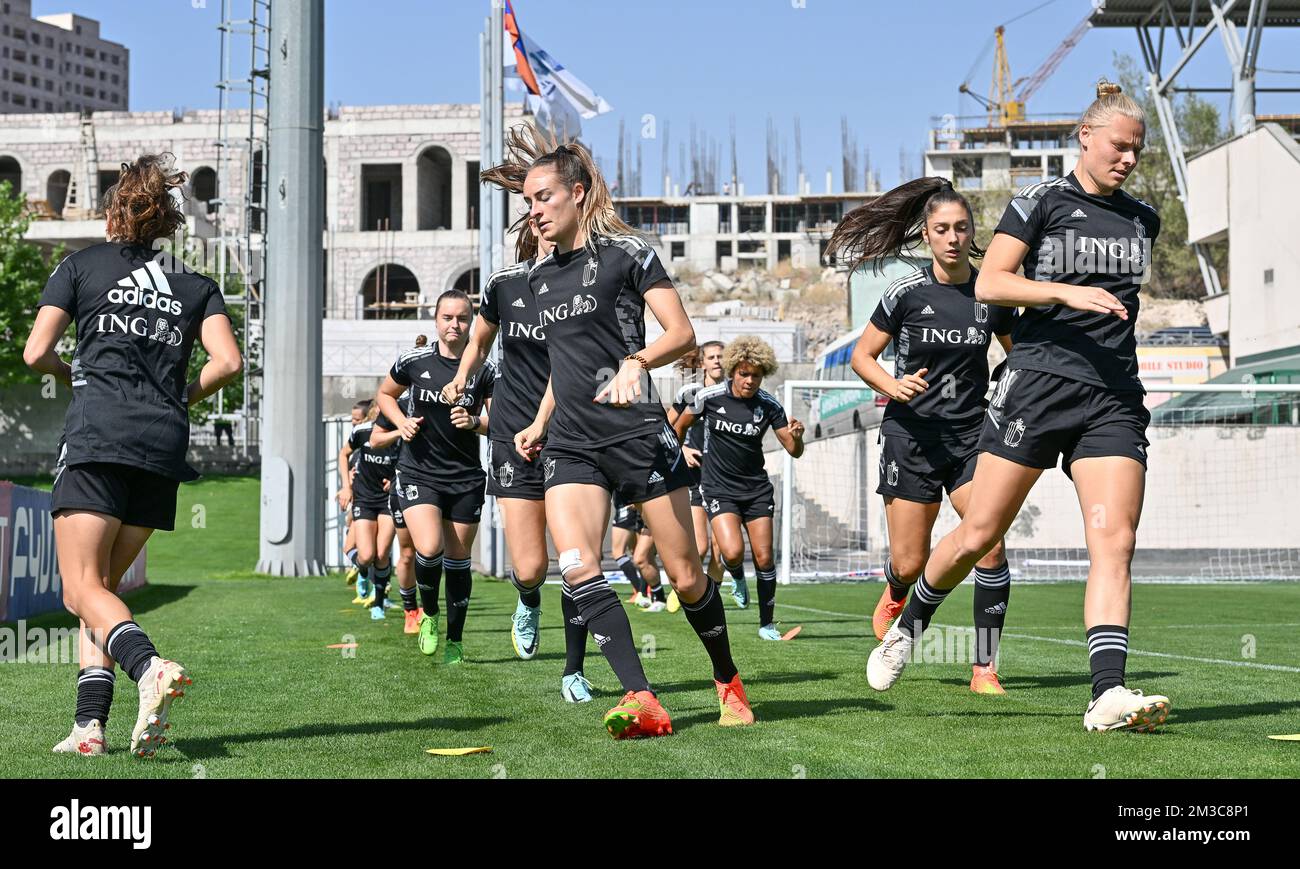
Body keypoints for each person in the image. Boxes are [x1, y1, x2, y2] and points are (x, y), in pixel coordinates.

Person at [864, 81, 1171, 733]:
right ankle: (909, 626)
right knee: (979, 534)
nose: (1129, 159)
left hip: (1112, 394)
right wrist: (1067, 294)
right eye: (1119, 145)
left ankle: (1106, 692)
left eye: (1138, 151)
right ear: (1086, 137)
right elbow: (993, 280)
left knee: (1114, 540)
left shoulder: (1144, 219)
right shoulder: (1039, 202)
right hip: (1035, 386)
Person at [514, 140, 753, 738]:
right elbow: (563, 365)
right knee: (575, 567)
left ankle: (727, 679)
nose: (535, 211)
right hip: (570, 442)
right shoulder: (538, 276)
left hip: (637, 435)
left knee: (687, 575)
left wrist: (636, 363)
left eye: (544, 197)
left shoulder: (628, 255)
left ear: (578, 194)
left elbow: (683, 332)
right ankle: (642, 697)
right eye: (527, 201)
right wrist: (543, 421)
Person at [23, 153, 242, 757]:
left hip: (99, 435)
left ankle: (148, 668)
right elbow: (228, 364)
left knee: (77, 591)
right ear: (166, 217)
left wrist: (75, 375)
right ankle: (89, 727)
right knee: (104, 587)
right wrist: (177, 398)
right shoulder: (196, 284)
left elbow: (35, 353)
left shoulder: (80, 266)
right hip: (161, 442)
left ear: (115, 207)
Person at [828, 175, 1017, 694]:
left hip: (970, 438)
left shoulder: (990, 292)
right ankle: (895, 590)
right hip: (910, 436)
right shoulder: (905, 293)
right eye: (941, 229)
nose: (953, 237)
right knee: (911, 561)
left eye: (961, 227)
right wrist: (894, 384)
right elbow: (861, 358)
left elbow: (1019, 355)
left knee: (990, 546)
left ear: (973, 231)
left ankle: (983, 668)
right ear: (927, 236)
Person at [444, 139, 595, 699]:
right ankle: (527, 601)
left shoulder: (582, 284)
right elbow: (479, 343)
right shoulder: (504, 287)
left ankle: (574, 668)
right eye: (530, 219)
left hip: (568, 434)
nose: (537, 225)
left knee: (577, 559)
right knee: (531, 566)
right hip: (511, 434)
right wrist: (463, 376)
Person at [376, 291, 495, 665]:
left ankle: (455, 640)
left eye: (462, 318)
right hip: (418, 472)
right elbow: (384, 395)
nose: (454, 325)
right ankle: (428, 614)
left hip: (464, 477)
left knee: (459, 560)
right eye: (447, 318)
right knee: (428, 549)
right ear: (436, 320)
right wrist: (401, 422)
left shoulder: (484, 369)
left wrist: (475, 422)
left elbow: (501, 422)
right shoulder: (413, 361)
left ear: (472, 322)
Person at [672, 336, 805, 640]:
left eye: (755, 376)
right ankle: (736, 577)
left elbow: (793, 450)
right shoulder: (709, 396)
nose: (749, 381)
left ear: (763, 375)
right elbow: (678, 428)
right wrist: (677, 457)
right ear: (733, 371)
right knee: (731, 553)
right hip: (718, 487)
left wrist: (797, 437)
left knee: (765, 558)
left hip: (756, 489)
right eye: (743, 374)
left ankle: (767, 624)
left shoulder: (769, 405)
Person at [667, 342, 727, 592]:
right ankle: (683, 586)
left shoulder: (735, 394)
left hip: (723, 477)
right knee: (700, 546)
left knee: (721, 548)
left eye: (721, 356)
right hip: (693, 476)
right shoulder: (689, 393)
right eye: (711, 357)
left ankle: (710, 595)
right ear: (702, 363)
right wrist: (681, 449)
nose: (717, 361)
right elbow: (667, 429)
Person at [338, 402, 399, 620]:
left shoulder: (402, 435)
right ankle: (362, 571)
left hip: (387, 499)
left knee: (382, 554)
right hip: (364, 497)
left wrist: (395, 480)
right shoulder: (362, 432)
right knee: (365, 555)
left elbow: (412, 464)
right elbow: (343, 454)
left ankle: (379, 603)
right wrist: (346, 486)